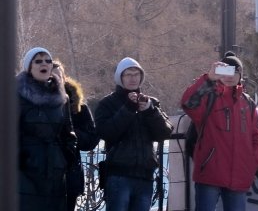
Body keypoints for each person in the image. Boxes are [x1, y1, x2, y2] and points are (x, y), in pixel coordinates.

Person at [181, 51, 258, 211]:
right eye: (226, 71)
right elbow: (188, 103)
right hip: (210, 175)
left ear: (241, 75)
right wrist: (208, 79)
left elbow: (257, 136)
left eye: (235, 71)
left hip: (240, 175)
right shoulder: (209, 96)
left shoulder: (248, 103)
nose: (230, 76)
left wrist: (252, 162)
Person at [94, 56, 173, 211]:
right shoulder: (107, 103)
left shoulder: (151, 102)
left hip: (145, 175)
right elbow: (106, 132)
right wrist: (128, 109)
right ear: (120, 77)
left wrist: (150, 111)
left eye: (136, 74)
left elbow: (164, 132)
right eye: (128, 74)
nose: (133, 79)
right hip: (118, 174)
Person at [17, 47, 76, 211]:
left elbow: (68, 131)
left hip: (55, 170)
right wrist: (21, 158)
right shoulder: (16, 94)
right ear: (29, 67)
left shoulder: (61, 97)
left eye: (47, 60)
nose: (44, 64)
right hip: (26, 172)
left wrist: (67, 155)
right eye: (38, 61)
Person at [52, 60, 99, 211]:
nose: (55, 80)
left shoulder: (79, 108)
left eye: (59, 76)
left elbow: (91, 140)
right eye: (51, 76)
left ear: (65, 77)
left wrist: (70, 131)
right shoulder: (36, 106)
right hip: (43, 174)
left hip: (70, 173)